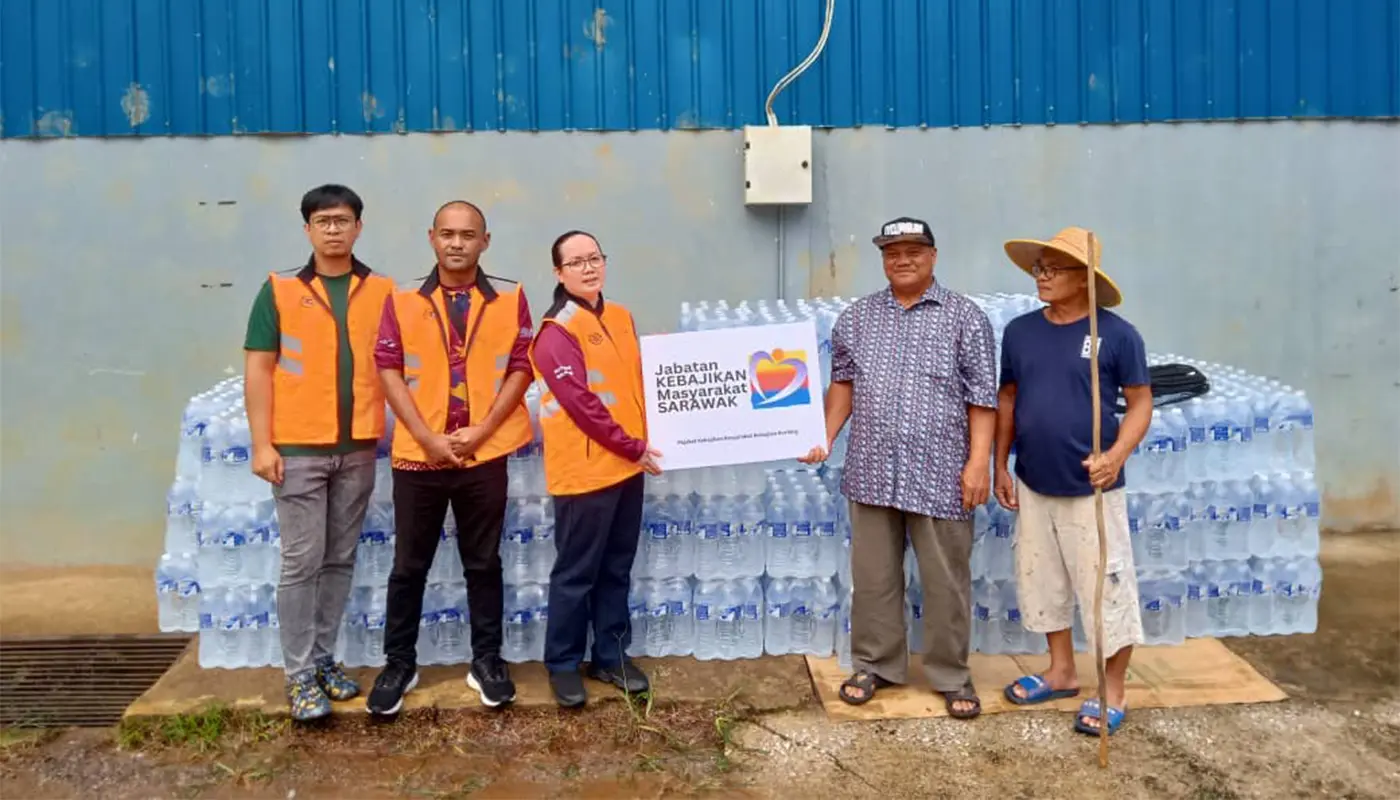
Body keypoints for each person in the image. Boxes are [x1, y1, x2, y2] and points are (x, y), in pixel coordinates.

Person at [800, 217, 997, 719]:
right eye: (892, 252)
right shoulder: (857, 318)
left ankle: (951, 674)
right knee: (874, 578)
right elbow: (842, 384)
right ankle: (876, 664)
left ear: (933, 256)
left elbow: (982, 400)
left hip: (942, 476)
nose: (902, 259)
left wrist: (979, 464)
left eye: (913, 250)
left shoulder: (965, 318)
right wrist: (822, 436)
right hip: (870, 471)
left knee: (946, 581)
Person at [366, 200, 535, 715]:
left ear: (486, 241)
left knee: (483, 562)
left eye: (468, 234)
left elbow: (522, 367)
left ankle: (487, 660)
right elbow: (389, 368)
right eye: (447, 234)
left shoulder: (510, 298)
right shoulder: (402, 301)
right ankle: (400, 663)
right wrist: (427, 436)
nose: (457, 243)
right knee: (407, 566)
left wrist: (482, 431)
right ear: (431, 238)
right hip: (420, 454)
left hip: (485, 454)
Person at [243, 184, 396, 722]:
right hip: (299, 451)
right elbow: (258, 369)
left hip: (357, 447)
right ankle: (298, 675)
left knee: (338, 559)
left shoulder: (382, 290)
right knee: (301, 562)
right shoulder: (279, 290)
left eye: (343, 220)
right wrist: (263, 444)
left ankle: (325, 659)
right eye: (323, 220)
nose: (334, 229)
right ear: (307, 229)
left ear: (359, 227)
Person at [995, 226, 1151, 737]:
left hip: (1094, 487)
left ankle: (1112, 690)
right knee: (1044, 582)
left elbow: (1140, 403)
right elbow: (1009, 400)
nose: (1040, 277)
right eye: (1038, 268)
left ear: (1083, 279)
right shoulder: (1019, 332)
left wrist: (1116, 453)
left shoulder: (1119, 335)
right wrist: (1001, 462)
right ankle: (1061, 670)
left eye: (1052, 269)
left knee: (1106, 590)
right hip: (1035, 480)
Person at [529, 230, 661, 708]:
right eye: (576, 262)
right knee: (577, 571)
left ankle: (610, 654)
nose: (589, 268)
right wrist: (632, 446)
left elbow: (638, 384)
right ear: (558, 273)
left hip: (627, 469)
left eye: (595, 259)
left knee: (616, 567)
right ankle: (562, 663)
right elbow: (582, 404)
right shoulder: (554, 331)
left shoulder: (621, 316)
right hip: (585, 474)